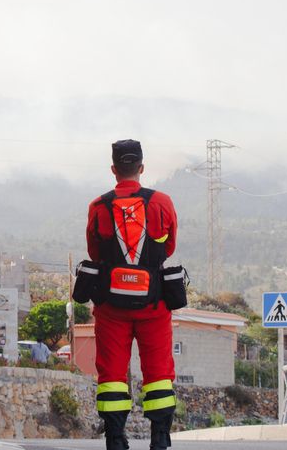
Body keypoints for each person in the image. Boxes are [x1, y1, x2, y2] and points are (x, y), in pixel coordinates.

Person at [86, 139, 178, 450]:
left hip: (111, 307)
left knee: (111, 372)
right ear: (141, 167)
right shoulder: (161, 203)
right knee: (159, 373)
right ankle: (160, 438)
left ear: (114, 169)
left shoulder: (98, 206)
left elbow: (94, 251)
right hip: (154, 303)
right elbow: (169, 247)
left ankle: (115, 439)